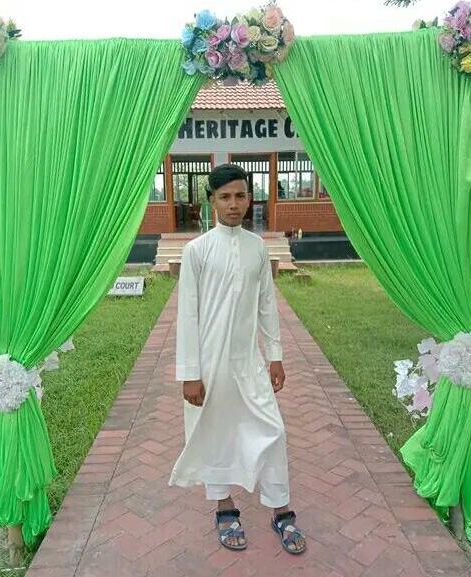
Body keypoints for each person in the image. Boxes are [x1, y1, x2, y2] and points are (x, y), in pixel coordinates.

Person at [169, 164, 306, 554]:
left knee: (273, 431)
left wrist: (275, 356)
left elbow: (266, 305)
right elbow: (188, 315)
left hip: (248, 362)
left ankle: (281, 510)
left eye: (241, 196)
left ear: (250, 199)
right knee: (216, 434)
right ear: (211, 201)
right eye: (225, 197)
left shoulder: (257, 247)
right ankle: (225, 509)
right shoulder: (196, 251)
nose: (234, 204)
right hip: (209, 365)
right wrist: (190, 373)